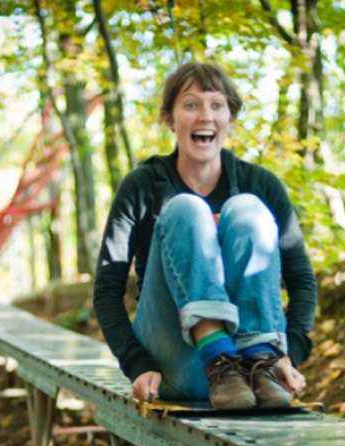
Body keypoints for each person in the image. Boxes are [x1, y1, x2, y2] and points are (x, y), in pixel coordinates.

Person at [93, 62, 318, 410]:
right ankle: (217, 357)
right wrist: (138, 364)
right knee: (187, 209)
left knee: (248, 209)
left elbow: (302, 280)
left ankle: (260, 359)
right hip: (179, 366)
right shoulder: (142, 185)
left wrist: (293, 354)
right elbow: (107, 289)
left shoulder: (261, 185)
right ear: (170, 119)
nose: (205, 116)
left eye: (217, 105)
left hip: (256, 377)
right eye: (191, 105)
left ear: (230, 117)